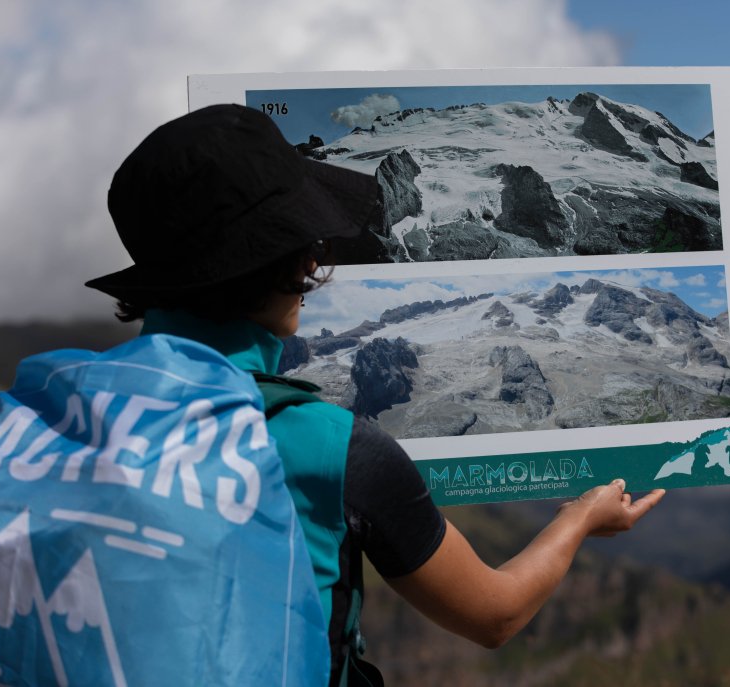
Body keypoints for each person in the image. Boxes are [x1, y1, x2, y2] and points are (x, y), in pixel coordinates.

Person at [85, 104, 666, 685]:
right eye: (303, 239)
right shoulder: (331, 448)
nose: (316, 258)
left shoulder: (51, 411)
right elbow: (495, 614)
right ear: (282, 261)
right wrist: (580, 519)